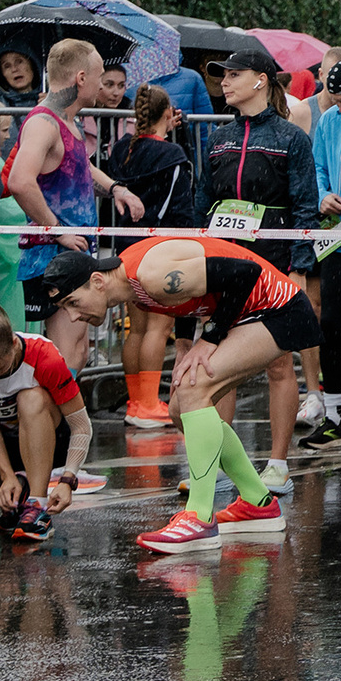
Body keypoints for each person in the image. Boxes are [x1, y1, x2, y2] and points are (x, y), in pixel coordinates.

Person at [53, 242, 314, 553]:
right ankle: (257, 502)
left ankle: (199, 518)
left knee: (193, 390)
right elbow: (190, 295)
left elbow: (245, 273)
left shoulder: (150, 276)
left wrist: (210, 337)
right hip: (252, 314)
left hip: (280, 311)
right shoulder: (133, 284)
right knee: (179, 409)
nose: (71, 316)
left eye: (72, 302)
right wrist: (183, 345)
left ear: (97, 282)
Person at [197, 38, 321, 492]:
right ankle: (217, 462)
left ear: (260, 81)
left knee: (277, 364)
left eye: (232, 74)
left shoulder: (290, 138)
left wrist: (300, 268)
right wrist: (199, 258)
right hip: (223, 262)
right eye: (221, 75)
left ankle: (277, 463)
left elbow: (307, 207)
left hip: (273, 262)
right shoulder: (217, 137)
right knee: (219, 364)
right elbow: (201, 202)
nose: (224, 82)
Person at [4, 39, 145, 374]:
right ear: (81, 77)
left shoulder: (68, 120)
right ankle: (54, 426)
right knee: (65, 353)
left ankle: (68, 425)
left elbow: (79, 165)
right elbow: (20, 181)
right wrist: (59, 230)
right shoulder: (44, 122)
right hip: (54, 257)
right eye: (99, 76)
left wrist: (115, 189)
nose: (101, 84)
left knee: (78, 349)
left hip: (74, 252)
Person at [101, 83, 196, 429]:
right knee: (160, 325)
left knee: (137, 329)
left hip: (128, 246)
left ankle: (134, 401)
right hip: (161, 246)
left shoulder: (123, 149)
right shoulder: (170, 155)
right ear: (168, 114)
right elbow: (178, 200)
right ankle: (148, 404)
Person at [0, 308, 89, 542]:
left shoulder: (44, 355)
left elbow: (81, 426)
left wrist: (68, 480)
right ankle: (19, 491)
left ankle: (37, 505)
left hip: (50, 440)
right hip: (5, 438)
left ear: (13, 344)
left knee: (29, 398)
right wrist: (6, 475)